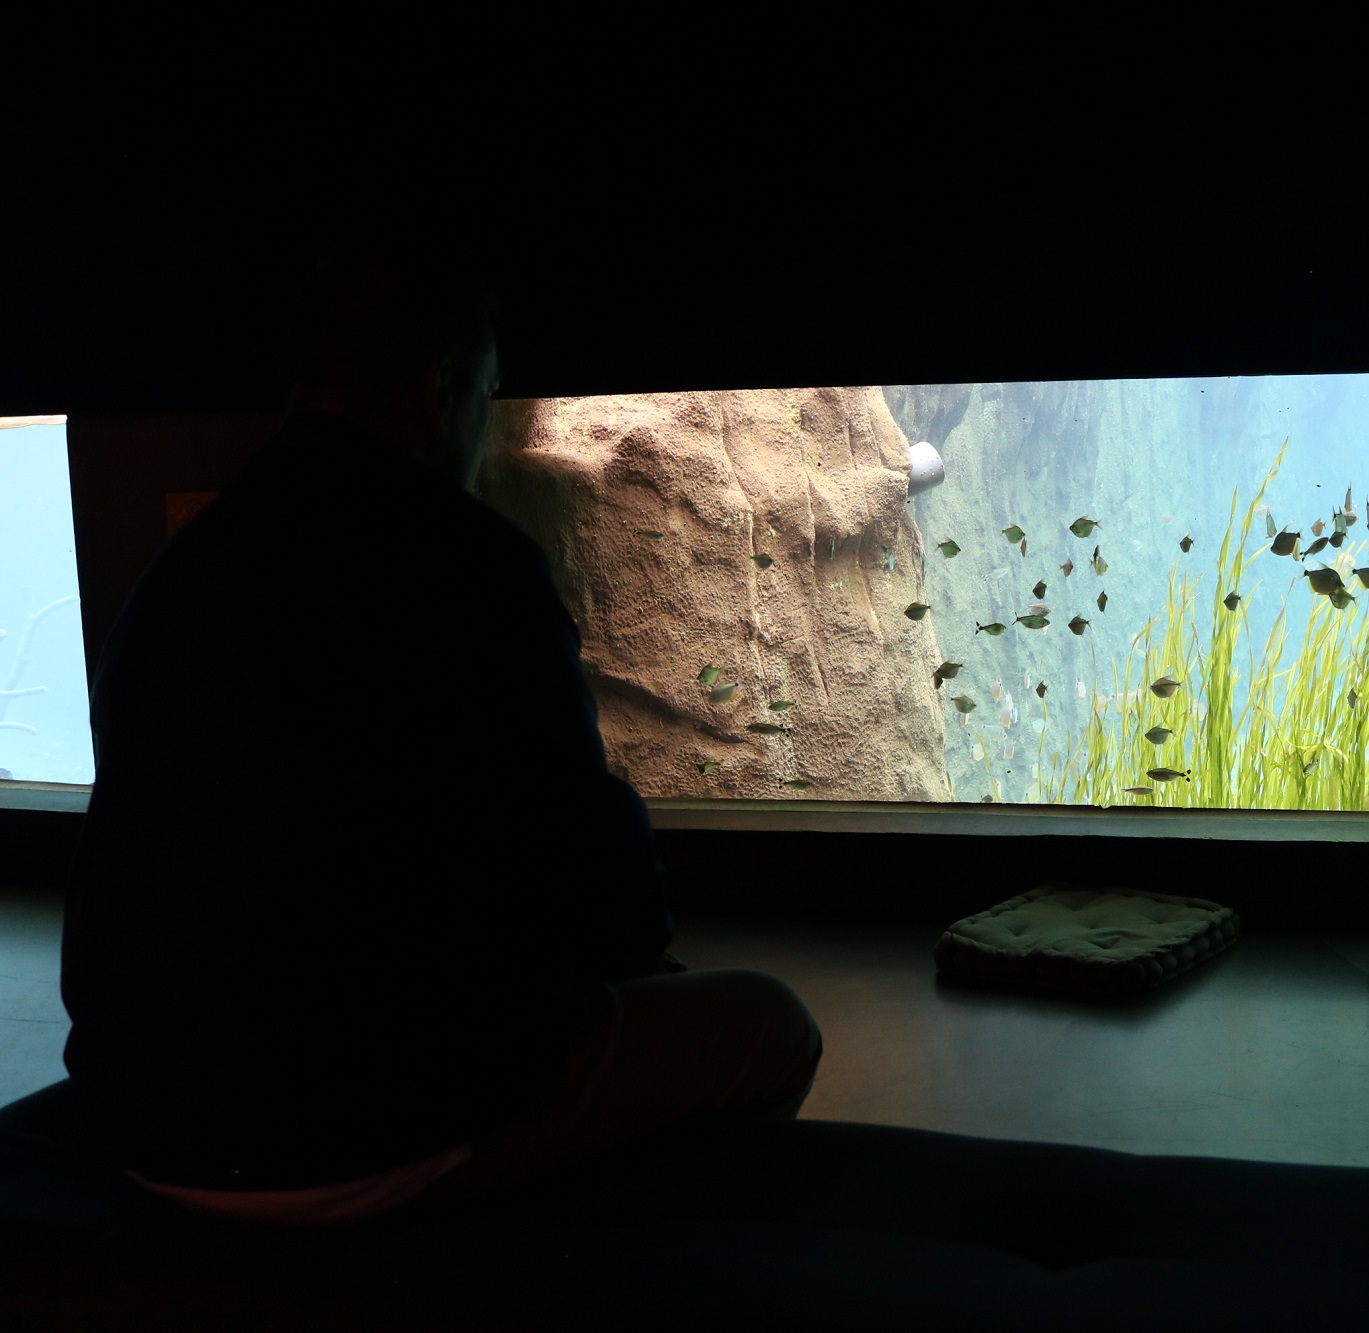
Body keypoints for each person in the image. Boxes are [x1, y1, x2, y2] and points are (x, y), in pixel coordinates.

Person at [59, 236, 821, 1227]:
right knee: (769, 1023)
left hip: (143, 1121)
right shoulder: (472, 564)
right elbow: (595, 867)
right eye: (489, 392)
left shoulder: (181, 570)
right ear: (441, 385)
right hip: (362, 1135)